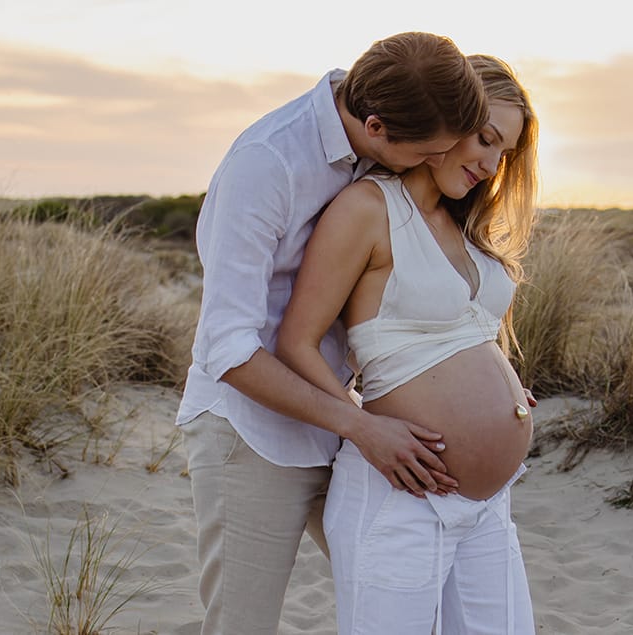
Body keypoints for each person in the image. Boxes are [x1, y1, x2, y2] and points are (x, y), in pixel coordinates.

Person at [175, 32, 490, 635]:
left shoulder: (399, 107)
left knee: (402, 606)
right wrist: (358, 424)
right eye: (427, 152)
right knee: (242, 625)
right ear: (376, 128)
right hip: (253, 436)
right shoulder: (266, 163)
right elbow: (227, 346)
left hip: (347, 434)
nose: (432, 162)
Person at [277, 54, 540, 634]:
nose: (492, 164)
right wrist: (361, 426)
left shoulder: (461, 225)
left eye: (506, 154)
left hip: (487, 504)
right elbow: (296, 342)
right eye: (485, 139)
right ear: (447, 120)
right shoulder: (368, 208)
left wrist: (502, 392)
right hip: (401, 497)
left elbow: (451, 336)